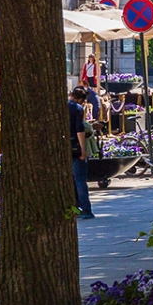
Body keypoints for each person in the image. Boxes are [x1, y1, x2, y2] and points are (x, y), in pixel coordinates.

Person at [68, 86, 94, 219]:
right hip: (75, 146)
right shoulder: (77, 109)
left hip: (63, 147)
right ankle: (86, 210)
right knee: (80, 180)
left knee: (71, 180)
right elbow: (79, 130)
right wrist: (83, 149)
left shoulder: (62, 106)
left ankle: (75, 208)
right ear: (80, 99)